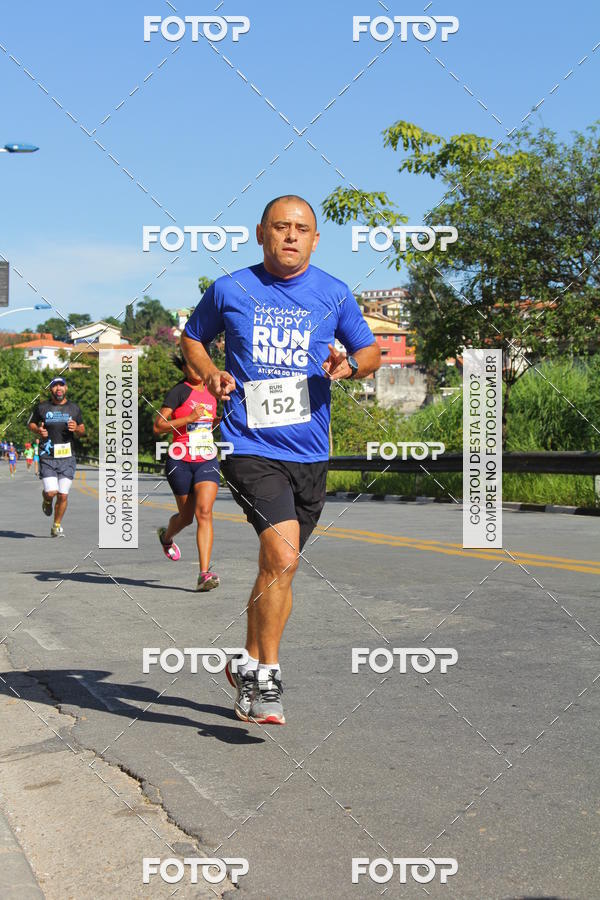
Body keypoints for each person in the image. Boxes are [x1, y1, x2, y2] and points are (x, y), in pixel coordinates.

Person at [181, 194, 381, 725]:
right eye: (280, 226)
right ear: (261, 233)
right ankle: (267, 678)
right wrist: (209, 374)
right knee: (284, 558)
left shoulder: (333, 293)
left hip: (310, 452)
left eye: (301, 228)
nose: (290, 236)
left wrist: (349, 365)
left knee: (279, 568)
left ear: (315, 239)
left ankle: (245, 662)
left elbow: (370, 352)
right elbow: (193, 338)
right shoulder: (230, 288)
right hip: (249, 445)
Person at [152, 356, 222, 592]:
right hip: (180, 460)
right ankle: (166, 537)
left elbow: (208, 424)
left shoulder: (213, 390)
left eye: (199, 364)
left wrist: (218, 421)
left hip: (206, 459)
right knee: (186, 517)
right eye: (190, 365)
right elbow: (158, 426)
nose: (195, 369)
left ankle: (204, 573)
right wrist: (188, 418)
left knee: (204, 512)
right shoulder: (179, 392)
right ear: (184, 368)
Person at [28, 377, 85, 537]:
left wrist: (76, 429)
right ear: (51, 389)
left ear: (66, 388)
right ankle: (46, 500)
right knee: (52, 492)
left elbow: (82, 430)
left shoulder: (74, 409)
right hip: (47, 456)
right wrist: (38, 430)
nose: (58, 388)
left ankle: (56, 525)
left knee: (63, 494)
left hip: (67, 457)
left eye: (61, 385)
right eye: (55, 386)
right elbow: (31, 424)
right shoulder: (42, 408)